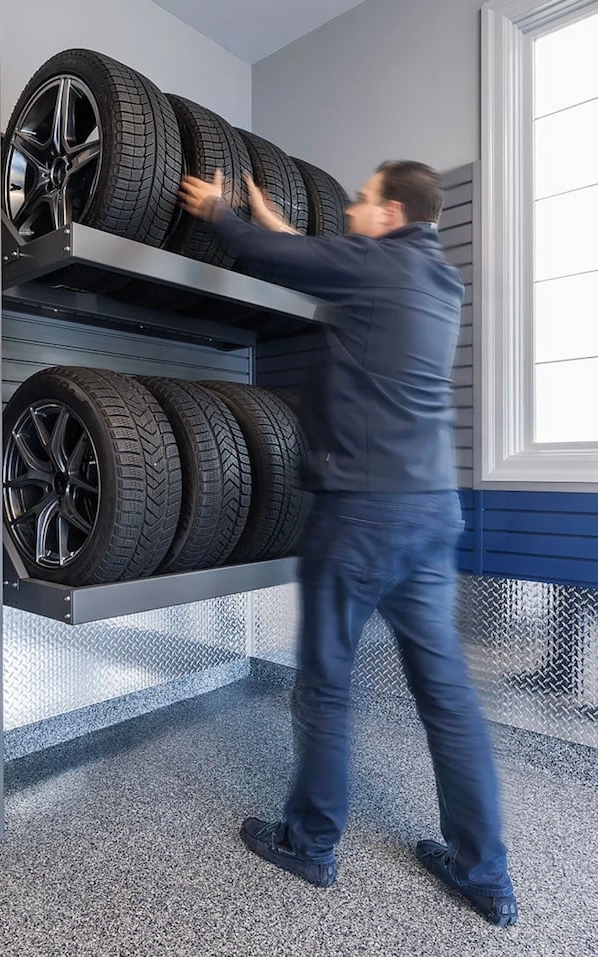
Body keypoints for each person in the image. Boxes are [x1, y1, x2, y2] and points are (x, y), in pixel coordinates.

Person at [179, 161, 518, 927]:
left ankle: (310, 841)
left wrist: (221, 212)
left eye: (361, 202)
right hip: (432, 517)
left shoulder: (373, 266)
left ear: (390, 212)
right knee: (449, 699)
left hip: (362, 516)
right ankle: (484, 872)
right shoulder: (436, 282)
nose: (352, 210)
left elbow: (277, 260)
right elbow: (319, 257)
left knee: (326, 684)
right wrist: (273, 217)